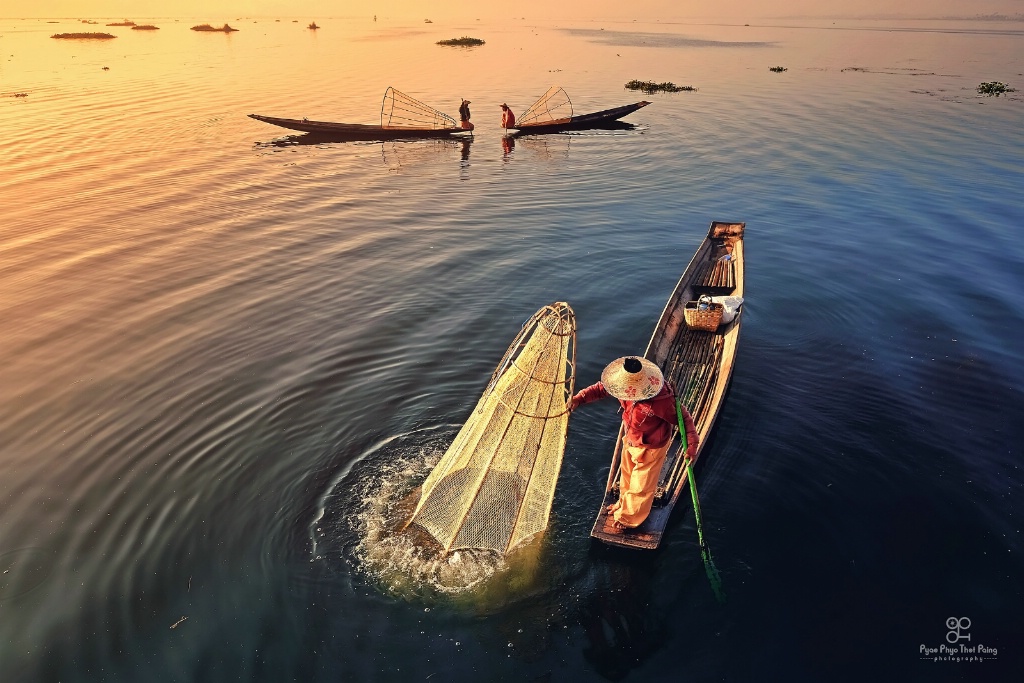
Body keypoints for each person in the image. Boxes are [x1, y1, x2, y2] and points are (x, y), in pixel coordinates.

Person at [569, 356, 698, 529]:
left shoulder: (662, 402)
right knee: (627, 477)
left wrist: (691, 446)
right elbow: (601, 389)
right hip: (631, 438)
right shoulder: (621, 386)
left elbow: (685, 420)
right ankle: (622, 504)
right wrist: (579, 398)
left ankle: (628, 519)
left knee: (641, 486)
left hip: (652, 445)